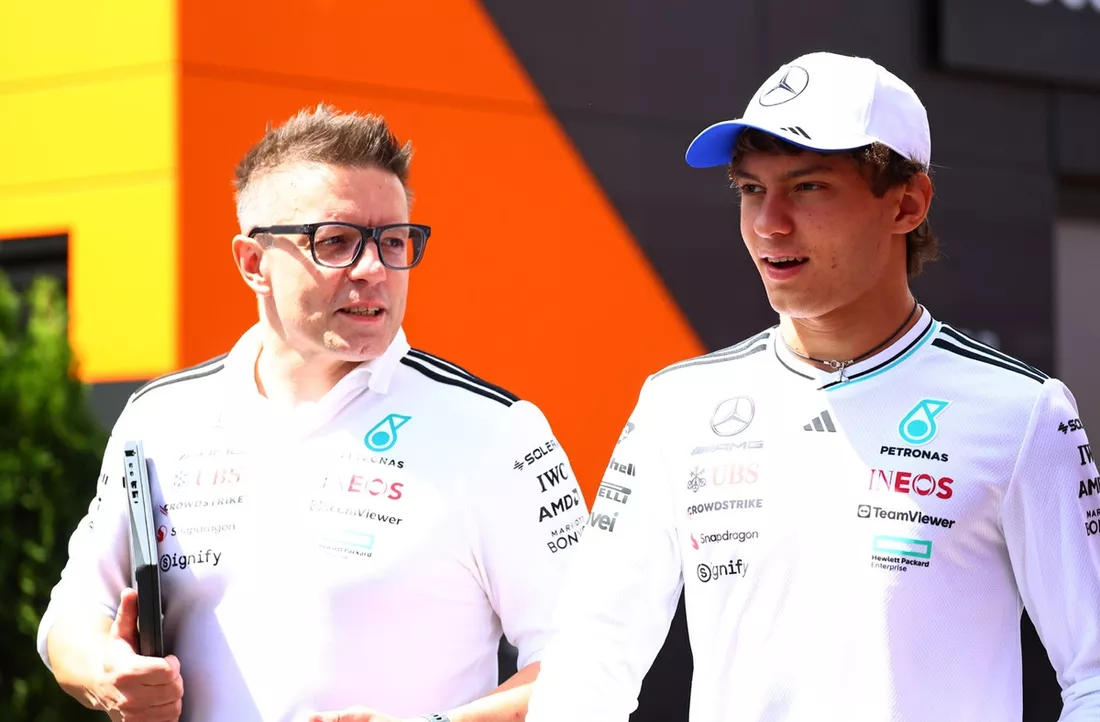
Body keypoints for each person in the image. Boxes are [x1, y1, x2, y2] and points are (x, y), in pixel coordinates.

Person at [525, 51, 1100, 721]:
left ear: (907, 203)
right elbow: (589, 664)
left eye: (808, 187)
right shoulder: (675, 405)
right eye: (750, 189)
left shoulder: (1022, 413)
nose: (769, 223)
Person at [37, 104, 589, 722]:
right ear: (253, 263)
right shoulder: (160, 419)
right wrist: (107, 673)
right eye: (336, 242)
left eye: (394, 241)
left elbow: (593, 662)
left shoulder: (497, 431)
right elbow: (74, 613)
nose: (374, 270)